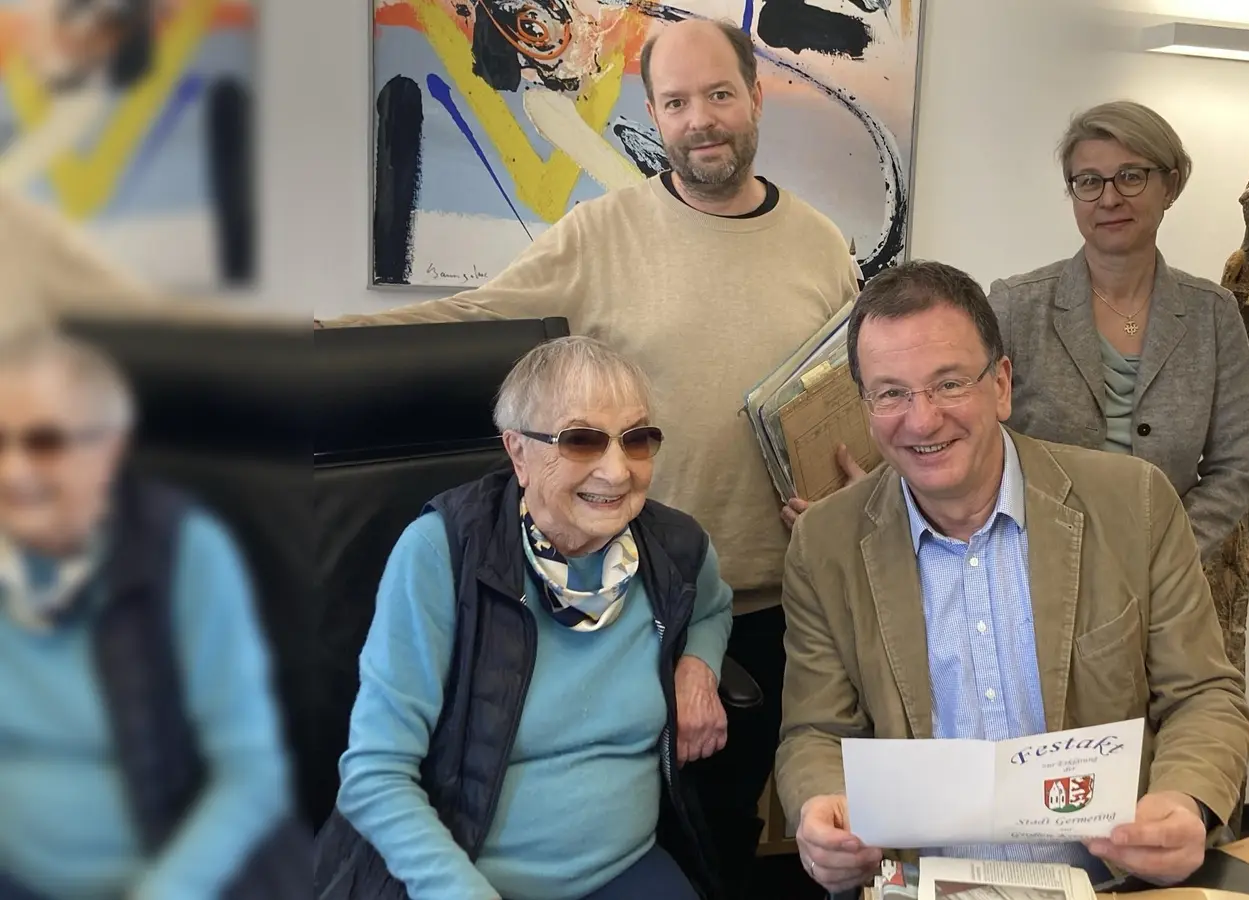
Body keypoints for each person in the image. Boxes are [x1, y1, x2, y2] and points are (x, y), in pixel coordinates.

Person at [320, 20, 860, 893]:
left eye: (718, 95)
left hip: (769, 601)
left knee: (723, 836)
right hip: (634, 592)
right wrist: (311, 343)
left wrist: (857, 488)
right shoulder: (602, 233)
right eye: (675, 102)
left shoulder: (823, 245)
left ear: (757, 98)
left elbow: (850, 393)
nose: (699, 119)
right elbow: (472, 318)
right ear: (654, 114)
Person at [774, 261, 1249, 894]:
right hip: (920, 886)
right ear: (865, 408)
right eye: (891, 393)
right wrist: (820, 806)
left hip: (1109, 882)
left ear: (1001, 385)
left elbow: (1204, 696)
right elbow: (815, 733)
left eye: (949, 384)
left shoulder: (1134, 504)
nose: (922, 420)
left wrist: (1183, 799)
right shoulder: (823, 545)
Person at [313, 336, 735, 900]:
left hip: (625, 868)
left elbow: (713, 608)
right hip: (460, 877)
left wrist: (699, 668)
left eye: (636, 439)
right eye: (581, 440)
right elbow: (375, 775)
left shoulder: (675, 549)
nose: (616, 471)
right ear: (517, 452)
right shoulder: (441, 554)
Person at [0, 329, 305, 899]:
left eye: (44, 443)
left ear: (108, 450)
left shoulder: (184, 552)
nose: (13, 472)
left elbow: (251, 775)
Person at [986, 100, 1249, 563]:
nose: (1109, 199)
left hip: (1164, 576)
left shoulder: (1213, 314)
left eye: (1131, 176)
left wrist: (1165, 557)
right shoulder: (1014, 306)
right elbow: (973, 439)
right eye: (1089, 181)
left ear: (1170, 185)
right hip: (1034, 565)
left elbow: (1235, 465)